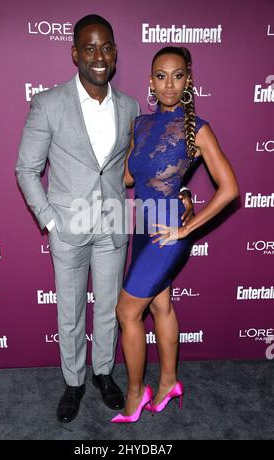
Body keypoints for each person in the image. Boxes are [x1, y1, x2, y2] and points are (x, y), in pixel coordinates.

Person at [15, 16, 194, 424]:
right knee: (71, 310)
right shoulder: (48, 102)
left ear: (115, 53)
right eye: (90, 48)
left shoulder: (131, 106)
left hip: (114, 223)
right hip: (68, 225)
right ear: (76, 53)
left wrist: (181, 191)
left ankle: (102, 374)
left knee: (113, 309)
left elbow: (147, 165)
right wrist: (49, 221)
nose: (99, 56)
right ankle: (74, 382)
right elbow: (26, 169)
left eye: (107, 47)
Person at [111, 46, 239, 423]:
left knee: (126, 311)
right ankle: (169, 383)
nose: (169, 83)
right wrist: (182, 190)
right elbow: (131, 177)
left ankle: (136, 395)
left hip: (168, 233)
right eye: (161, 76)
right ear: (151, 83)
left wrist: (187, 226)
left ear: (188, 80)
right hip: (141, 224)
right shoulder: (140, 124)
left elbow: (230, 188)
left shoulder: (199, 128)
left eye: (177, 75)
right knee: (160, 305)